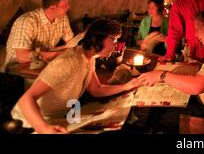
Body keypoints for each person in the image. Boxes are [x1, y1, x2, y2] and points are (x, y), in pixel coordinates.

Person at [11, 18, 142, 134]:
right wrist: (44, 129)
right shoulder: (69, 61)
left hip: (59, 117)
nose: (115, 45)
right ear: (98, 37)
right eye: (113, 39)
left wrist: (127, 86)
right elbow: (26, 100)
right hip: (29, 122)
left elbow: (96, 89)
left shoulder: (89, 58)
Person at [1, 0, 75, 72]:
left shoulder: (62, 18)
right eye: (65, 6)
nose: (69, 7)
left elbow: (71, 43)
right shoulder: (27, 21)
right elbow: (22, 56)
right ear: (52, 7)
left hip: (42, 66)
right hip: (16, 71)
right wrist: (55, 54)